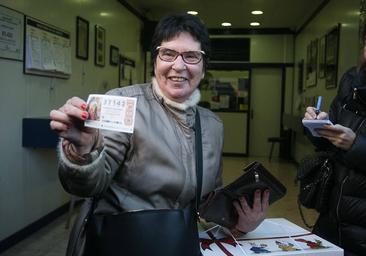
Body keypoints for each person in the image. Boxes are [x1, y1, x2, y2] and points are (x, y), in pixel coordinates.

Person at [50, 13, 269, 256]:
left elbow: (208, 203)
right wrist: (83, 152)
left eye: (191, 56)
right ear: (155, 62)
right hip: (122, 243)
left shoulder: (212, 125)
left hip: (180, 245)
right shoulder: (124, 103)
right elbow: (89, 184)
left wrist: (240, 223)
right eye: (168, 53)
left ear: (203, 68)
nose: (179, 65)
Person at [303, 47, 366, 255]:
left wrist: (355, 145)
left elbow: (351, 144)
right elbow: (329, 142)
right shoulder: (352, 82)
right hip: (331, 217)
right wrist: (317, 126)